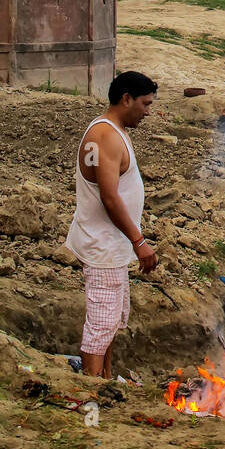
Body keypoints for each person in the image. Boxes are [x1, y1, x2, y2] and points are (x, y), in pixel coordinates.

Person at [65, 71, 159, 378]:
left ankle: (105, 379)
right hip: (103, 244)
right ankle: (91, 389)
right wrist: (139, 240)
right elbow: (109, 197)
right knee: (102, 323)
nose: (148, 112)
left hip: (111, 245)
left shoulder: (112, 131)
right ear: (126, 98)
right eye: (145, 104)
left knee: (114, 318)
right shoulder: (104, 136)